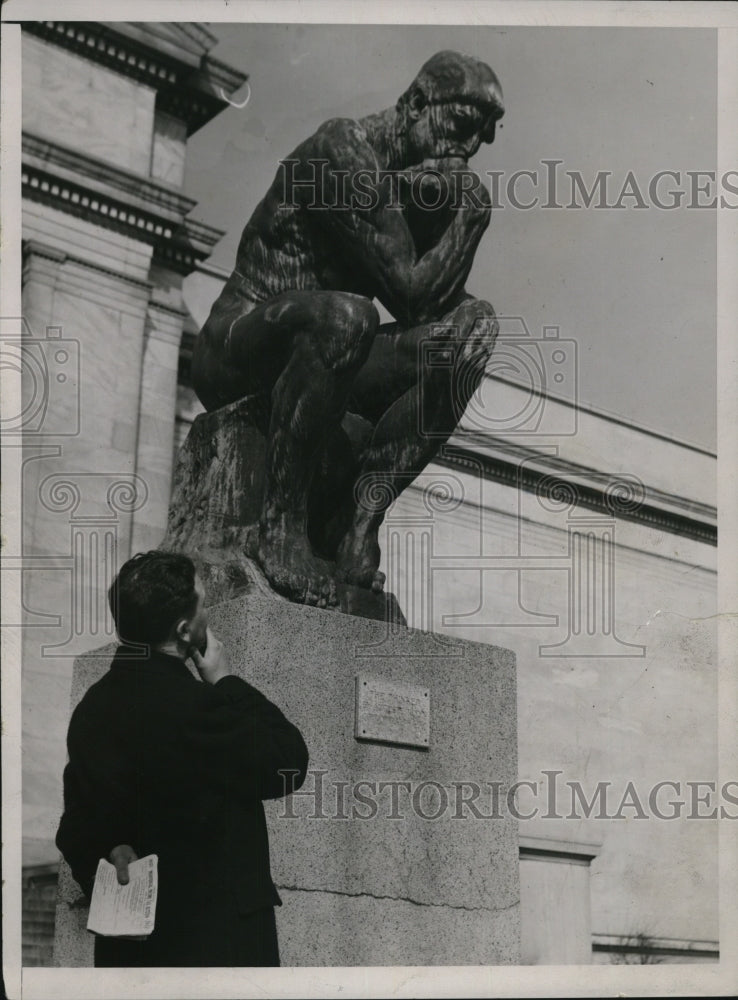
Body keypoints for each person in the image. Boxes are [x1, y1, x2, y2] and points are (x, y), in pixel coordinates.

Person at [192, 50, 504, 608]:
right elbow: (411, 292)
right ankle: (279, 527)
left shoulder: (415, 186)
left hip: (331, 355)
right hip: (238, 345)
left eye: (483, 136)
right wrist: (469, 219)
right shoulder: (340, 152)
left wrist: (448, 223)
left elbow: (430, 313)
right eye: (460, 125)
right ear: (414, 105)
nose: (468, 148)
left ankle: (360, 520)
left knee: (471, 330)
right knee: (348, 316)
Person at [55, 550, 309, 967]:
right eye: (204, 603)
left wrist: (109, 848)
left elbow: (75, 823)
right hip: (213, 948)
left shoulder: (93, 707)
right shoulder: (197, 709)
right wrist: (226, 680)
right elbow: (288, 762)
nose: (208, 612)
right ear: (185, 629)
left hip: (131, 949)